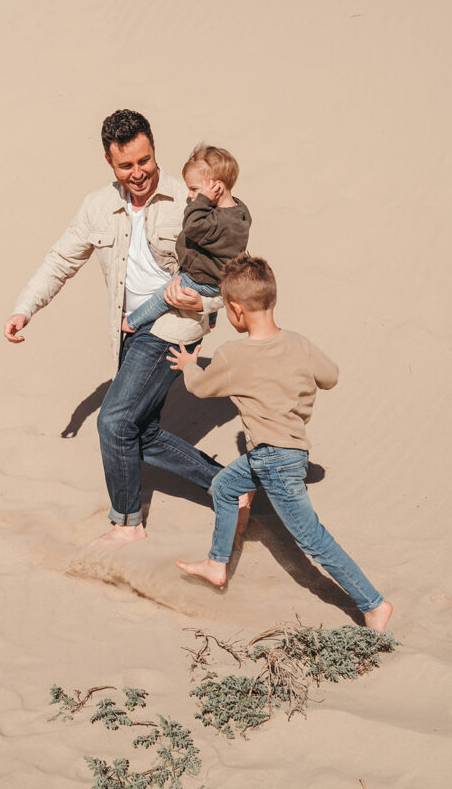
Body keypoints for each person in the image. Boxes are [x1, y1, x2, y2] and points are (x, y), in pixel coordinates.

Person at [4, 110, 224, 548]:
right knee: (138, 432)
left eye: (145, 161)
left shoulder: (188, 201)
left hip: (173, 325)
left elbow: (233, 270)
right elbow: (61, 261)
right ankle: (230, 485)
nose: (139, 173)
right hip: (126, 330)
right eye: (127, 165)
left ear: (154, 150)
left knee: (115, 420)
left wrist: (202, 302)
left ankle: (128, 524)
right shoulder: (97, 207)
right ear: (110, 162)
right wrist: (24, 309)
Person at [167, 254, 393, 632]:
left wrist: (189, 364)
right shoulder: (298, 343)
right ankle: (217, 563)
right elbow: (331, 376)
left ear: (235, 310)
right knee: (224, 485)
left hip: (273, 460)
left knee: (312, 539)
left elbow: (201, 387)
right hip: (284, 453)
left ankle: (373, 604)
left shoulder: (233, 354)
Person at [123, 143, 251, 333]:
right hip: (217, 279)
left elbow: (191, 226)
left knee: (164, 295)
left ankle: (132, 322)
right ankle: (212, 318)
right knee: (215, 267)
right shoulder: (239, 210)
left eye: (194, 189)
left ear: (216, 187)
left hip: (200, 279)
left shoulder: (214, 221)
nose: (190, 196)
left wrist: (202, 200)